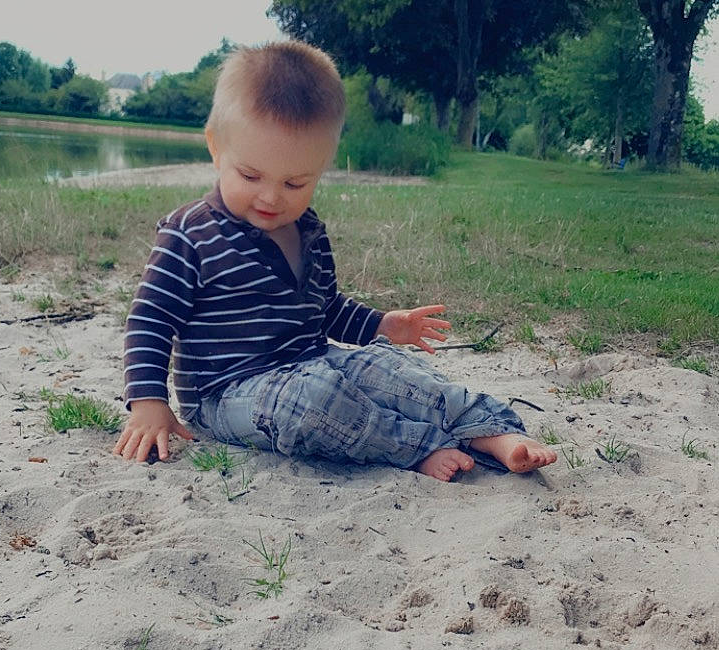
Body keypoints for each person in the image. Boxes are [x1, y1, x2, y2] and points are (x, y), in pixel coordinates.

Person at [114, 42, 556, 482]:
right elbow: (150, 320)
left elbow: (326, 310)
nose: (270, 197)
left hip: (314, 359)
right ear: (216, 147)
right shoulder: (189, 232)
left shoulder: (308, 231)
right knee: (313, 401)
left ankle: (491, 431)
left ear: (321, 167)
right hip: (227, 394)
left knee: (390, 369)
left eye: (295, 182)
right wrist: (149, 402)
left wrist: (384, 326)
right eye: (250, 176)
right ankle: (416, 446)